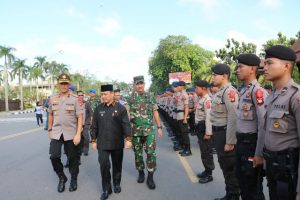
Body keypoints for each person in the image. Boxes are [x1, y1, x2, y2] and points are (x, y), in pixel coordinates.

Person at [262, 45, 300, 200]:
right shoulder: (272, 95)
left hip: (288, 168)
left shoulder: (295, 96)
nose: (264, 67)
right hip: (273, 165)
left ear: (286, 66)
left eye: (269, 63)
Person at [235, 53, 268, 200]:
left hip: (252, 145)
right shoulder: (244, 91)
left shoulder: (257, 91)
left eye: (241, 66)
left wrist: (259, 153)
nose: (237, 70)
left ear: (252, 69)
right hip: (241, 143)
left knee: (252, 186)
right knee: (242, 183)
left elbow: (263, 124)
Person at [91, 84, 132, 200]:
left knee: (117, 164)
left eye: (105, 94)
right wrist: (93, 140)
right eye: (102, 94)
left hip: (117, 142)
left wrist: (128, 139)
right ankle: (106, 188)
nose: (103, 96)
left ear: (112, 94)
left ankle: (117, 183)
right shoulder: (98, 109)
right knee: (104, 165)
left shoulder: (121, 108)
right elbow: (94, 126)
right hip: (102, 143)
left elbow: (126, 125)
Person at [48, 73, 83, 193]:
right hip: (57, 132)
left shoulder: (75, 99)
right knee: (54, 156)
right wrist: (50, 129)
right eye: (61, 83)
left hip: (71, 133)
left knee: (73, 158)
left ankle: (74, 179)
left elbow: (80, 117)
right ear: (58, 84)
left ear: (69, 84)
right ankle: (62, 177)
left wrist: (78, 134)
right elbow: (50, 114)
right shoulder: (52, 98)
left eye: (66, 83)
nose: (63, 85)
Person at [210, 63, 240, 200]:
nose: (212, 77)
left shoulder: (229, 91)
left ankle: (233, 196)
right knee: (224, 166)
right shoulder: (221, 91)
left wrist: (230, 141)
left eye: (215, 75)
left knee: (229, 168)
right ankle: (230, 194)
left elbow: (233, 117)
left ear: (224, 76)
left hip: (224, 134)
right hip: (218, 133)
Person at [127, 75, 163, 190]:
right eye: (137, 84)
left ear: (144, 84)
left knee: (151, 153)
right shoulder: (130, 98)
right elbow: (126, 113)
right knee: (138, 155)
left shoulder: (150, 96)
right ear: (134, 85)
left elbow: (155, 112)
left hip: (149, 132)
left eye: (141, 83)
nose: (139, 86)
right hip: (135, 132)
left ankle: (150, 176)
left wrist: (159, 127)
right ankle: (141, 172)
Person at [194, 80, 215, 184]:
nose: (195, 90)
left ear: (203, 88)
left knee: (207, 152)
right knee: (203, 152)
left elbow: (209, 117)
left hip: (204, 130)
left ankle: (209, 174)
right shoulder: (201, 99)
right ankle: (206, 171)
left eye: (197, 88)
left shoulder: (207, 100)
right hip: (200, 128)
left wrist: (208, 133)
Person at [176, 81, 191, 156]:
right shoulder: (181, 94)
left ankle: (188, 150)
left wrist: (185, 118)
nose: (177, 87)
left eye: (178, 86)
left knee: (185, 134)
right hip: (179, 116)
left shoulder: (184, 94)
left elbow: (186, 107)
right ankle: (185, 148)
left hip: (183, 116)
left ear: (182, 86)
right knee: (182, 133)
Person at [77, 90, 93, 156]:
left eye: (82, 95)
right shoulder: (75, 103)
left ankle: (86, 150)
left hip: (86, 123)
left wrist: (92, 121)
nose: (80, 96)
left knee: (86, 137)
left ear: (83, 96)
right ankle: (80, 150)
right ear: (77, 96)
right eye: (79, 95)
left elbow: (91, 113)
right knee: (80, 137)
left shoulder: (87, 103)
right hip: (77, 124)